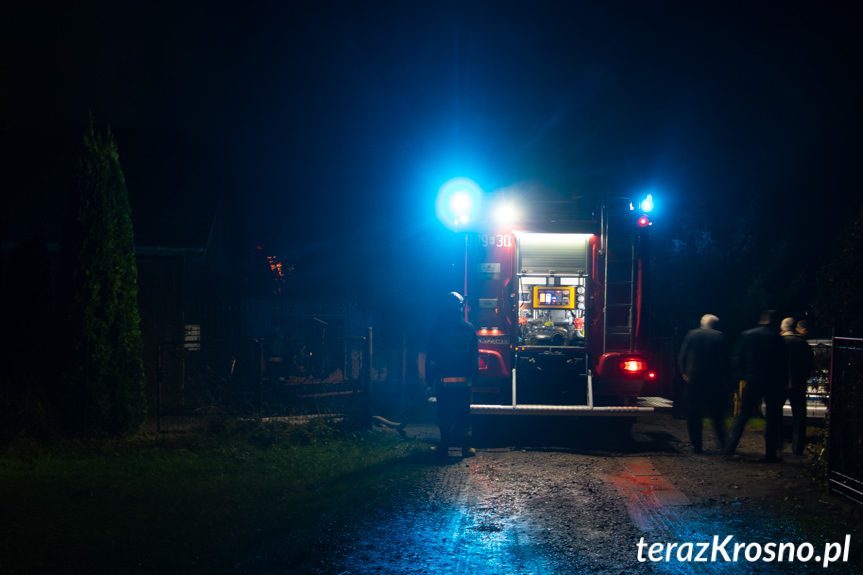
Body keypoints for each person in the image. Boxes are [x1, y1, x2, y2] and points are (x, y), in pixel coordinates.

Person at [725, 310, 789, 462]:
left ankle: (730, 446)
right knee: (772, 417)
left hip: (752, 378)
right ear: (772, 321)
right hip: (772, 381)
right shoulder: (776, 338)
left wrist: (742, 375)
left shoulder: (747, 335)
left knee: (744, 413)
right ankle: (770, 453)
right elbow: (782, 362)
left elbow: (736, 358)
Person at [426, 292, 479, 457]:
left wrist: (429, 377)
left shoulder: (437, 329)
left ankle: (444, 446)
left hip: (444, 383)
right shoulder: (469, 328)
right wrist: (474, 376)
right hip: (464, 383)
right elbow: (474, 356)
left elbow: (431, 357)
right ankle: (466, 447)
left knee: (444, 414)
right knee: (464, 414)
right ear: (461, 307)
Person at [677, 314, 731, 453]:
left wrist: (684, 372)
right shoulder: (719, 336)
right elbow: (725, 359)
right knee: (717, 413)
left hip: (694, 378)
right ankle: (722, 442)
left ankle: (697, 445)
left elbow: (683, 354)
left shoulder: (692, 335)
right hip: (714, 379)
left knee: (694, 412)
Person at [781, 318, 814, 455]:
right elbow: (809, 364)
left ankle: (776, 444)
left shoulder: (779, 342)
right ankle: (797, 447)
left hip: (780, 383)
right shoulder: (802, 344)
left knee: (776, 413)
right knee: (799, 416)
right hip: (798, 383)